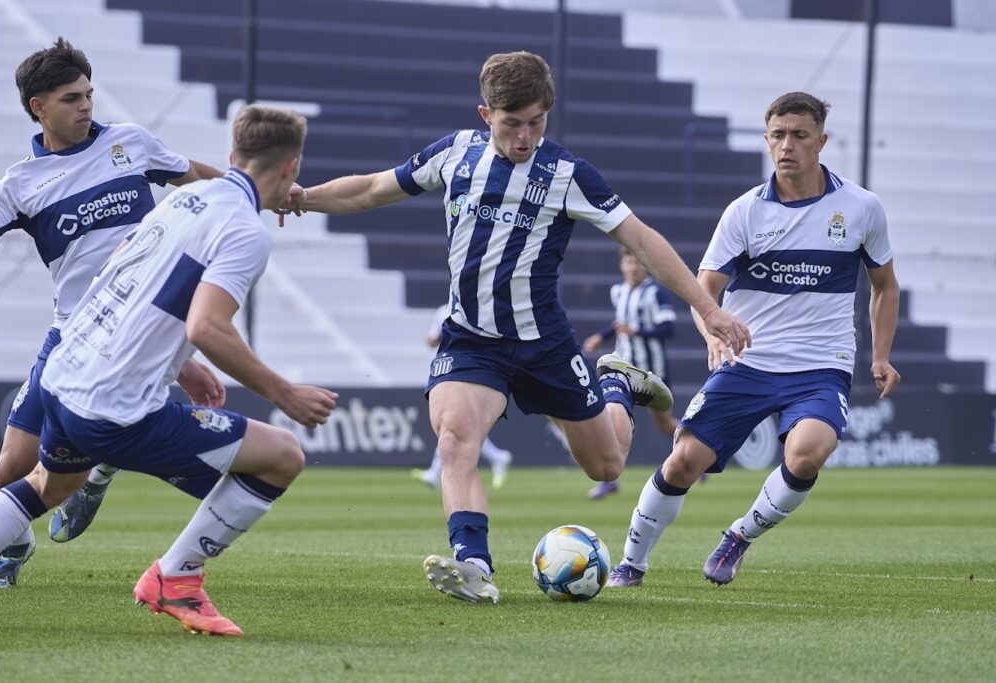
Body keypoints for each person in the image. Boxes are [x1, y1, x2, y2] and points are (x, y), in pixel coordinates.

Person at [278, 51, 750, 604]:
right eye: (512, 124)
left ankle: (618, 385)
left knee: (605, 465)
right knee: (455, 439)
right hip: (471, 341)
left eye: (536, 122)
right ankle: (474, 565)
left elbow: (641, 241)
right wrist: (305, 197)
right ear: (486, 115)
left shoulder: (569, 174)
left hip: (544, 345)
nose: (525, 137)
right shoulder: (455, 154)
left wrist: (708, 309)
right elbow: (371, 188)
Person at [0, 104, 336, 636]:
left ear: (233, 154)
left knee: (46, 484)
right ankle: (176, 576)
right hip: (114, 407)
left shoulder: (187, 198)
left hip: (64, 374)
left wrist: (178, 362)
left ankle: (117, 509)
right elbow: (207, 327)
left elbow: (119, 263)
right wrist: (286, 395)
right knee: (282, 456)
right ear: (291, 166)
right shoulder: (244, 231)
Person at [606, 92, 901, 589]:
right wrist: (712, 332)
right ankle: (631, 563)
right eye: (778, 135)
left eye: (800, 135)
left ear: (821, 141)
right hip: (748, 359)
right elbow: (702, 290)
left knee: (807, 452)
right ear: (766, 140)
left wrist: (882, 356)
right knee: (684, 462)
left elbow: (885, 286)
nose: (787, 145)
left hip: (820, 363)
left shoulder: (861, 208)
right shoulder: (744, 212)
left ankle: (739, 536)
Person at [0, 38, 224, 589]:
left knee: (88, 449)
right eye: (71, 98)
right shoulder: (19, 184)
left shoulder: (130, 142)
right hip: (70, 334)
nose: (86, 105)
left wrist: (252, 190)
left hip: (135, 331)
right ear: (38, 107)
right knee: (11, 469)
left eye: (88, 94)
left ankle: (98, 468)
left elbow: (193, 174)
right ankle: (16, 542)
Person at [582, 248, 679, 500]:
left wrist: (637, 332)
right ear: (622, 265)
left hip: (650, 371)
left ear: (645, 266)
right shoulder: (619, 291)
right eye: (629, 262)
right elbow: (620, 324)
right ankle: (608, 480)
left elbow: (668, 328)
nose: (633, 267)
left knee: (665, 424)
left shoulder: (656, 292)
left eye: (638, 262)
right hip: (621, 370)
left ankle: (693, 454)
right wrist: (601, 336)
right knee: (611, 420)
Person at [412, 303, 513, 489]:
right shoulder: (475, 308)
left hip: (457, 371)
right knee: (456, 427)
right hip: (465, 369)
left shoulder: (448, 311)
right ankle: (496, 457)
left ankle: (436, 473)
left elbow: (432, 341)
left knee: (455, 426)